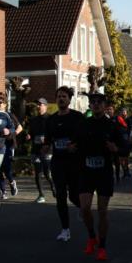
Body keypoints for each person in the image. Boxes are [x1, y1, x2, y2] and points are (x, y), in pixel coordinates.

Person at [75, 92, 126, 261]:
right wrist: (72, 147)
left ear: (104, 106)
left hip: (104, 172)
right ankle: (91, 237)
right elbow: (76, 142)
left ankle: (102, 246)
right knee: (84, 208)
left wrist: (116, 149)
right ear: (90, 105)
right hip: (86, 171)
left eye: (99, 102)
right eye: (93, 102)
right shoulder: (83, 124)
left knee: (102, 211)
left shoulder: (112, 125)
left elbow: (125, 148)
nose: (96, 104)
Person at [43, 86, 84, 242]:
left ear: (69, 99)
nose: (61, 99)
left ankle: (81, 206)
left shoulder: (77, 117)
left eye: (64, 96)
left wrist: (76, 146)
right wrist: (45, 147)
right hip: (58, 161)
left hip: (74, 162)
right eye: (59, 96)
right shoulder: (51, 120)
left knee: (74, 194)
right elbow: (47, 140)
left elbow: (86, 137)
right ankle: (65, 229)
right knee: (60, 195)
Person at [25, 98, 54, 203]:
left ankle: (53, 186)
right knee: (38, 172)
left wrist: (47, 141)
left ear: (45, 106)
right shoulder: (33, 120)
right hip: (36, 150)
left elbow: (54, 134)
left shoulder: (50, 119)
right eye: (38, 104)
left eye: (41, 104)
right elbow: (32, 133)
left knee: (47, 173)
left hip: (47, 150)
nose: (38, 106)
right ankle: (41, 195)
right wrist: (29, 135)